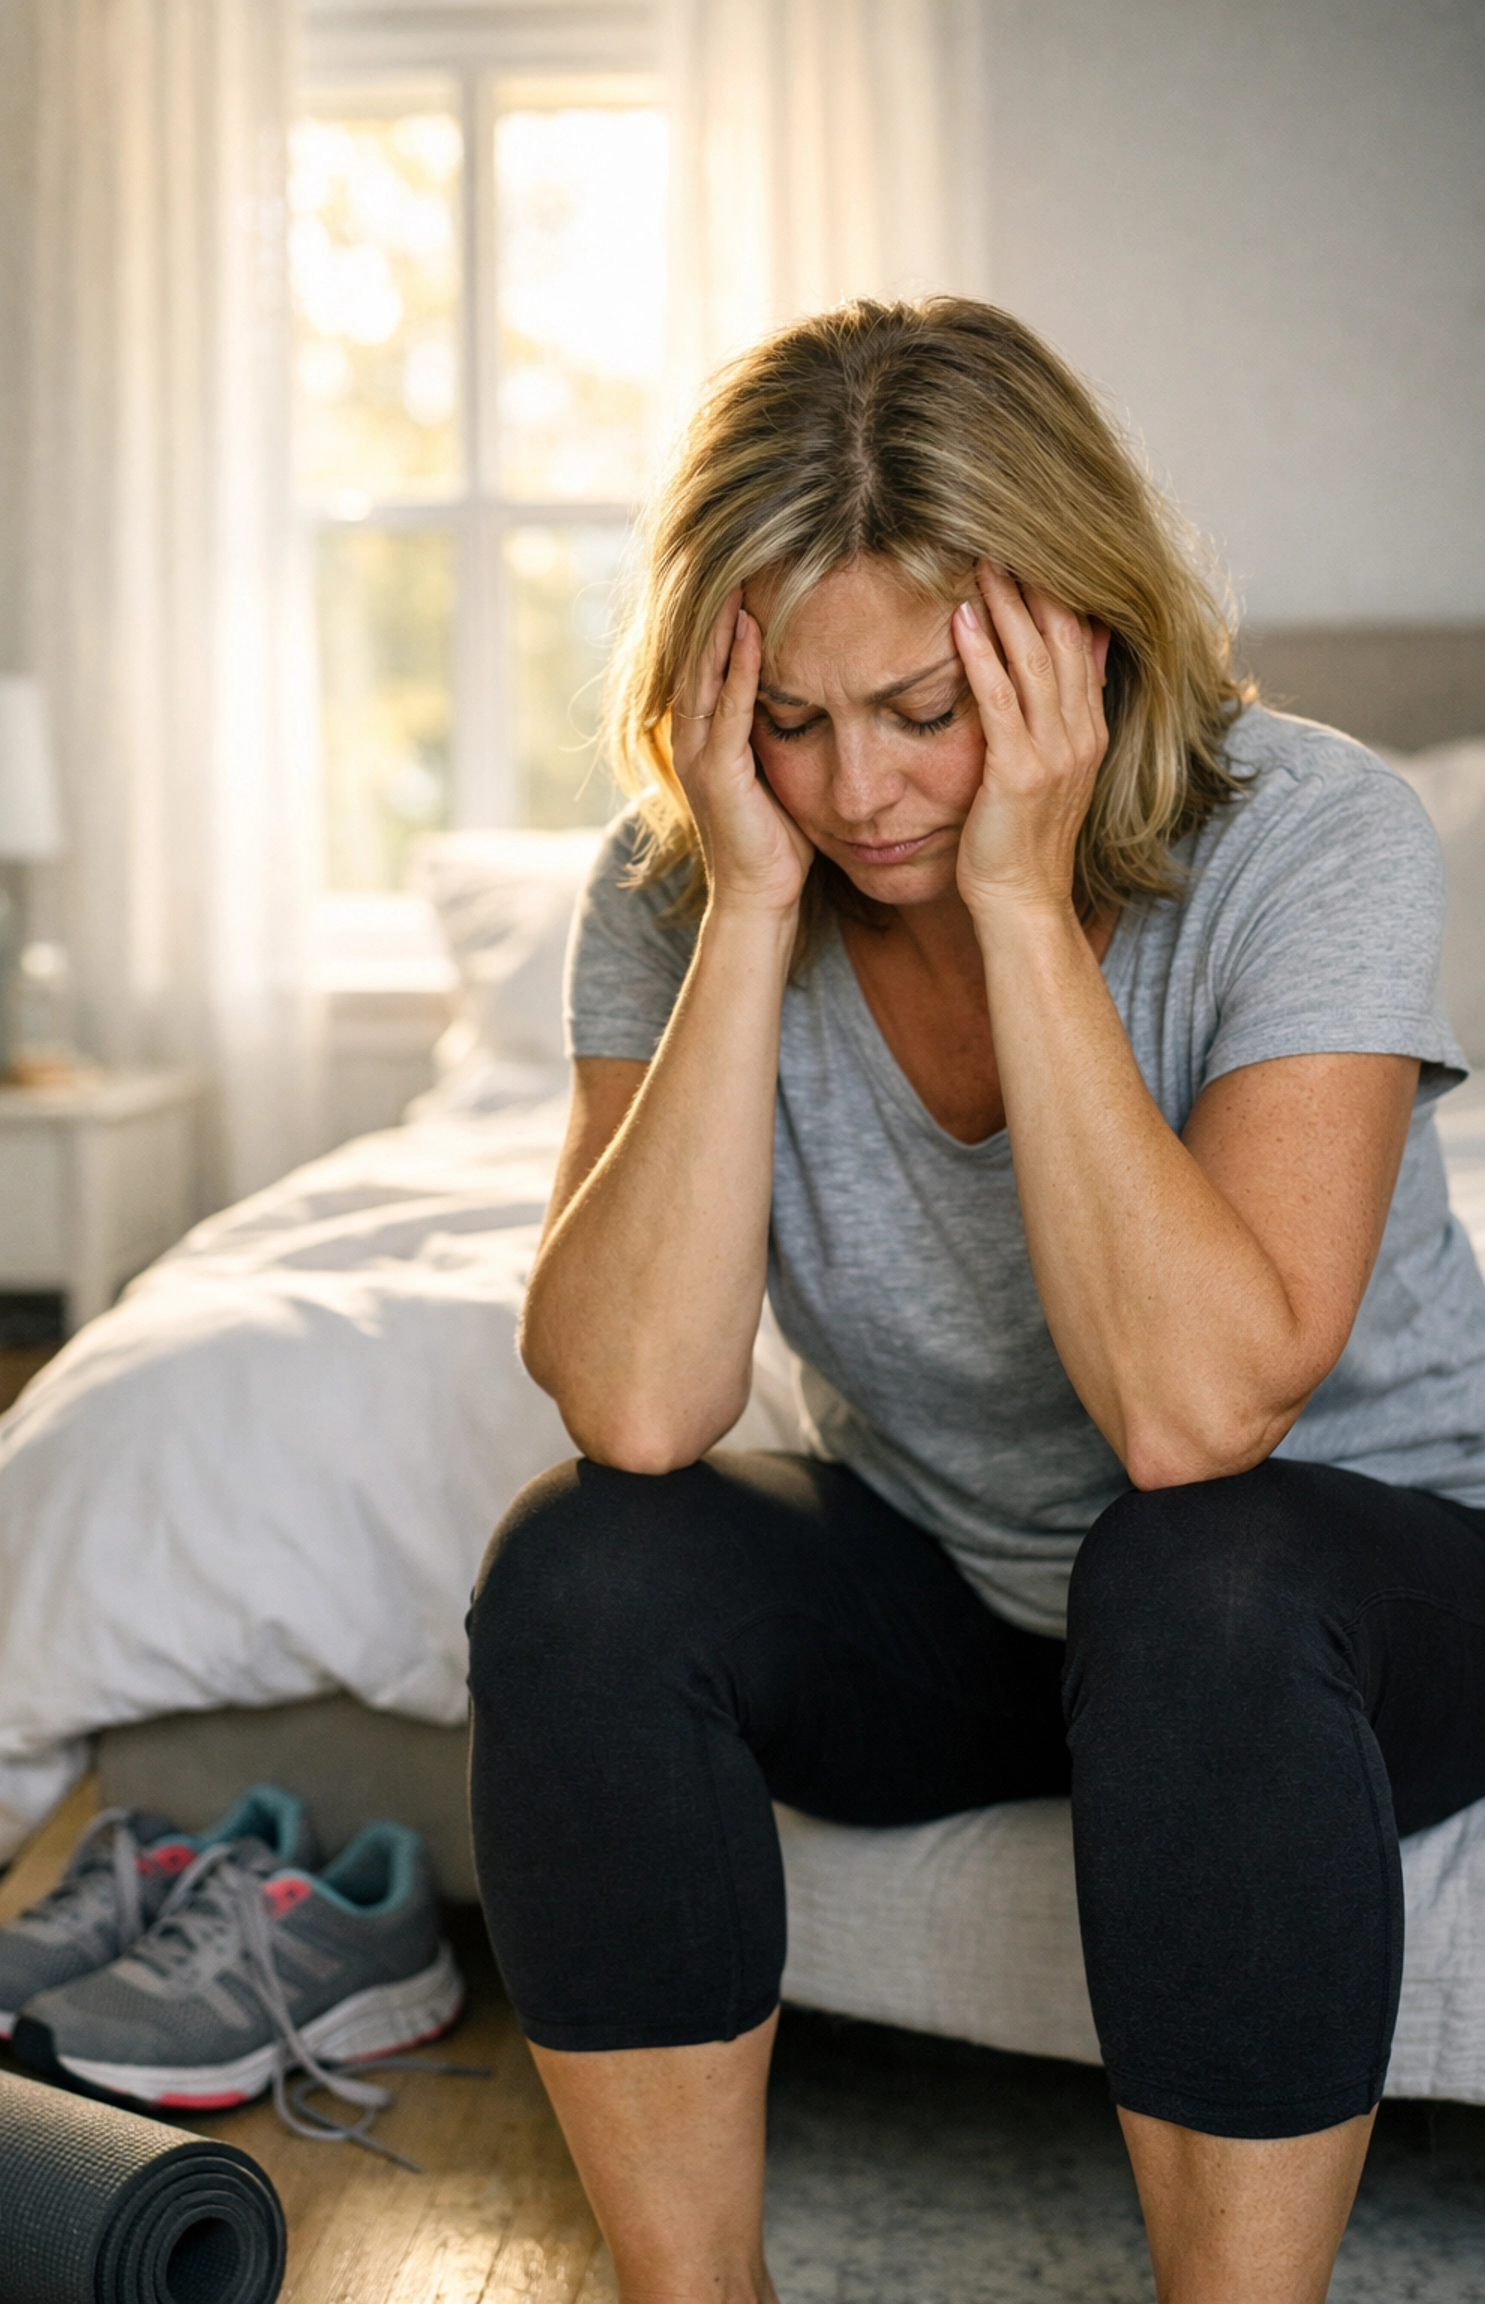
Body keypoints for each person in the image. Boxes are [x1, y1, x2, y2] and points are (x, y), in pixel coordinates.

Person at [466, 298, 1485, 2304]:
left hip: (1347, 1608)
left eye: (924, 708)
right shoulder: (685, 879)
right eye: (793, 717)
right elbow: (638, 1404)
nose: (859, 789)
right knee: (586, 1563)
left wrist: (1024, 899)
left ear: (1072, 642)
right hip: (962, 1591)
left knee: (1200, 1568)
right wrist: (746, 907)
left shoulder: (1316, 832)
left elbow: (1197, 1425)